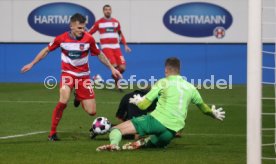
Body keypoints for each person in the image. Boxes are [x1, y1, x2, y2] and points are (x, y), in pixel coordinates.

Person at [21, 13, 122, 141]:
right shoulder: (61, 38)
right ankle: (52, 133)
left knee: (92, 112)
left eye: (84, 27)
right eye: (79, 28)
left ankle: (78, 97)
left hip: (83, 77)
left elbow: (100, 54)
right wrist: (32, 63)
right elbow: (46, 50)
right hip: (67, 75)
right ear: (71, 26)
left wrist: (112, 68)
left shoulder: (89, 39)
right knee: (63, 98)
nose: (82, 30)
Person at [96, 57, 225, 151]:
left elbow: (144, 106)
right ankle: (143, 143)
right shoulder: (191, 87)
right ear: (179, 70)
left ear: (166, 70)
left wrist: (138, 101)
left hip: (156, 122)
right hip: (171, 132)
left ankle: (113, 145)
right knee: (154, 142)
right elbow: (204, 108)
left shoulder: (163, 82)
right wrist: (212, 113)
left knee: (116, 130)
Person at [89, 4, 131, 91]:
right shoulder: (99, 23)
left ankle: (114, 77)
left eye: (109, 9)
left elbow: (120, 34)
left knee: (122, 68)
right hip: (106, 47)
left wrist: (125, 45)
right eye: (106, 10)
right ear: (103, 11)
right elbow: (90, 33)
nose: (108, 11)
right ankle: (118, 86)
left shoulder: (115, 22)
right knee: (115, 66)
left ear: (111, 11)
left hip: (116, 47)